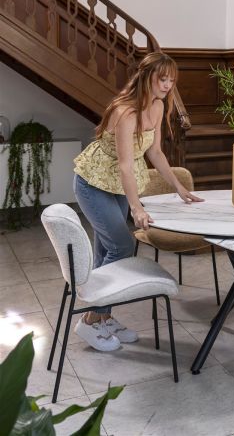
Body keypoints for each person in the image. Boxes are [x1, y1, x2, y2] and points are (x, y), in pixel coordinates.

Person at [72, 52, 202, 351]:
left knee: (106, 250)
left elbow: (154, 152)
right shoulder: (125, 111)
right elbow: (125, 165)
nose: (167, 85)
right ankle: (90, 320)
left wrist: (179, 187)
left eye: (171, 80)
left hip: (117, 186)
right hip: (93, 184)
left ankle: (103, 318)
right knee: (121, 246)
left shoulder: (158, 106)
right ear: (146, 77)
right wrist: (136, 207)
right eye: (162, 79)